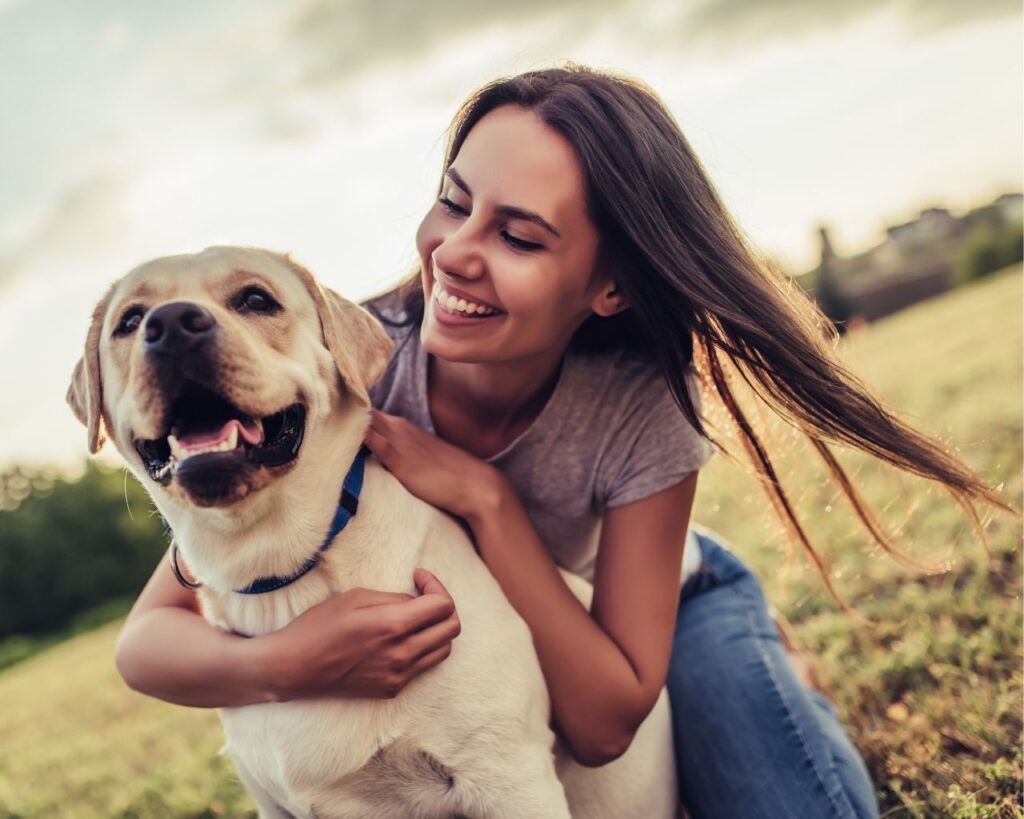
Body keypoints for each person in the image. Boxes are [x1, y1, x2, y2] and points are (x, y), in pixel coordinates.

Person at [115, 65, 1008, 818]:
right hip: (515, 652)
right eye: (453, 203)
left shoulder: (641, 405)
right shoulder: (343, 367)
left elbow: (603, 721)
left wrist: (486, 498)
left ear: (609, 285)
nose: (456, 253)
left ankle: (775, 666)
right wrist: (289, 660)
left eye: (518, 235)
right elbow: (150, 635)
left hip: (664, 612)